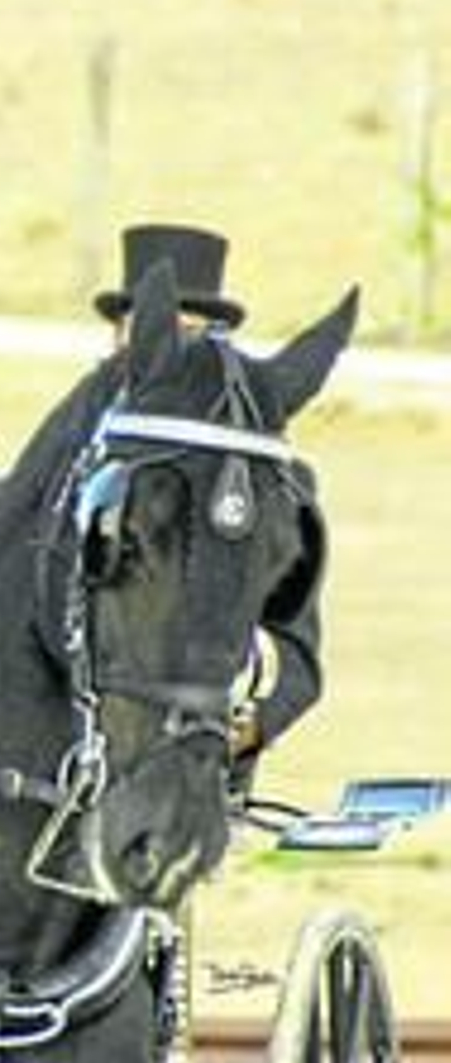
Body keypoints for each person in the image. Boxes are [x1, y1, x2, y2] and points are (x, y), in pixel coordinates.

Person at [93, 223, 325, 775]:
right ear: (119, 341)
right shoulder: (74, 451)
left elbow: (295, 661)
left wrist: (237, 731)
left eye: (186, 335)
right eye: (146, 332)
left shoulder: (274, 487)